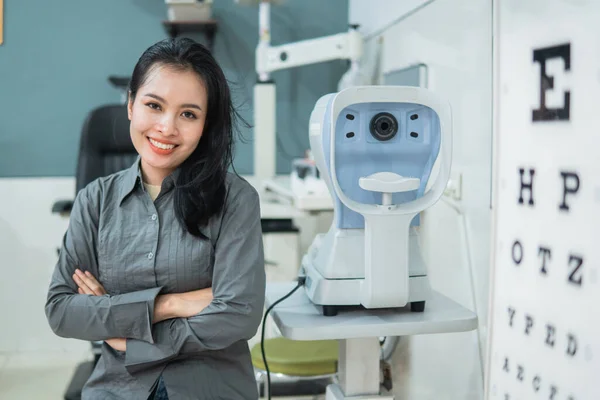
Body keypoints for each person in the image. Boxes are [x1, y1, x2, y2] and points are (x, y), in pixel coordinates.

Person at [45, 38, 266, 399]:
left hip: (210, 386)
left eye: (188, 114)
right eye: (154, 105)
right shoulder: (94, 201)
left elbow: (239, 313)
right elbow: (62, 310)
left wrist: (126, 333)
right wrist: (169, 305)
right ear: (131, 105)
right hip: (117, 388)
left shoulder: (236, 200)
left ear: (206, 124)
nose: (167, 127)